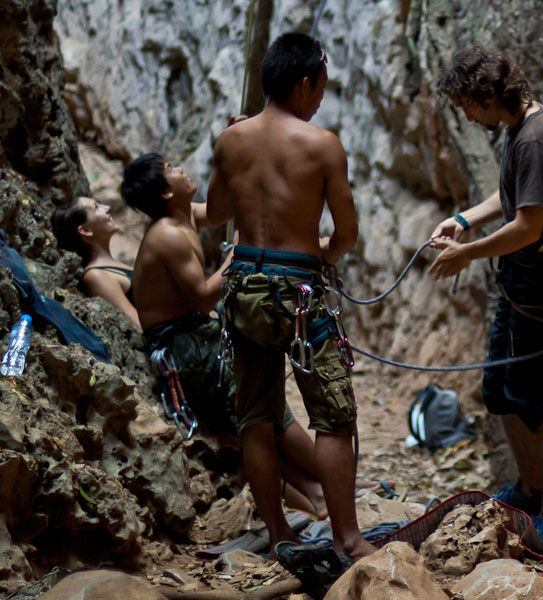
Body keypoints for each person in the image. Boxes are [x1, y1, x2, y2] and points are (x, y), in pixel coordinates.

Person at [204, 32, 374, 562]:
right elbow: (346, 234)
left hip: (243, 291)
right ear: (303, 84)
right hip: (300, 294)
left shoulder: (232, 139)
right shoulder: (322, 144)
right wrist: (323, 249)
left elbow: (213, 214)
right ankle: (348, 538)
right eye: (320, 86)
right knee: (332, 415)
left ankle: (279, 533)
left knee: (257, 414)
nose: (321, 97)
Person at [120, 153, 328, 521]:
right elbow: (202, 298)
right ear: (167, 192)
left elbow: (218, 210)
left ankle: (326, 485)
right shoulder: (167, 235)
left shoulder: (184, 215)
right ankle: (327, 484)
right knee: (257, 414)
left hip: (197, 332)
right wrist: (238, 254)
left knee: (268, 408)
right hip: (182, 345)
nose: (180, 169)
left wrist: (229, 155)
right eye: (171, 170)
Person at [428, 45, 543, 551]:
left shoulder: (536, 139)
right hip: (519, 279)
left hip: (540, 282)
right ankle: (531, 487)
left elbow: (529, 225)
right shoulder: (519, 128)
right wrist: (465, 218)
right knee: (499, 388)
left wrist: (466, 253)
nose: (468, 117)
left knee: (540, 399)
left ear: (488, 95)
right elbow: (514, 199)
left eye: (468, 106)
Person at [52, 196, 141, 328]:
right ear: (86, 230)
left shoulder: (111, 265)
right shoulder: (96, 276)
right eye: (96, 207)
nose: (107, 208)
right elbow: (136, 325)